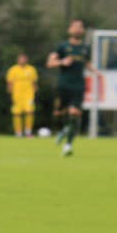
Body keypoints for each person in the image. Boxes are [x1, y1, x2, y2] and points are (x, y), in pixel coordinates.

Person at [47, 20, 92, 156]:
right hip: (63, 85)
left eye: (80, 27)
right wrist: (62, 62)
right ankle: (64, 130)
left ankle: (68, 145)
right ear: (69, 30)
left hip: (78, 86)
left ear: (83, 31)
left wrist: (95, 70)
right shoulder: (62, 47)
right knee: (59, 114)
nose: (77, 29)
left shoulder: (85, 49)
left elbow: (88, 64)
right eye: (75, 27)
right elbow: (50, 63)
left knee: (74, 113)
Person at [5, 52, 39, 137]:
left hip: (29, 94)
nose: (22, 60)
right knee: (17, 113)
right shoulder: (13, 69)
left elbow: (34, 83)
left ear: (27, 60)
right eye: (21, 59)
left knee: (30, 111)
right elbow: (9, 83)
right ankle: (18, 132)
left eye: (24, 59)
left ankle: (28, 132)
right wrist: (10, 93)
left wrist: (35, 93)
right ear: (18, 60)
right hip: (17, 94)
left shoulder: (31, 69)